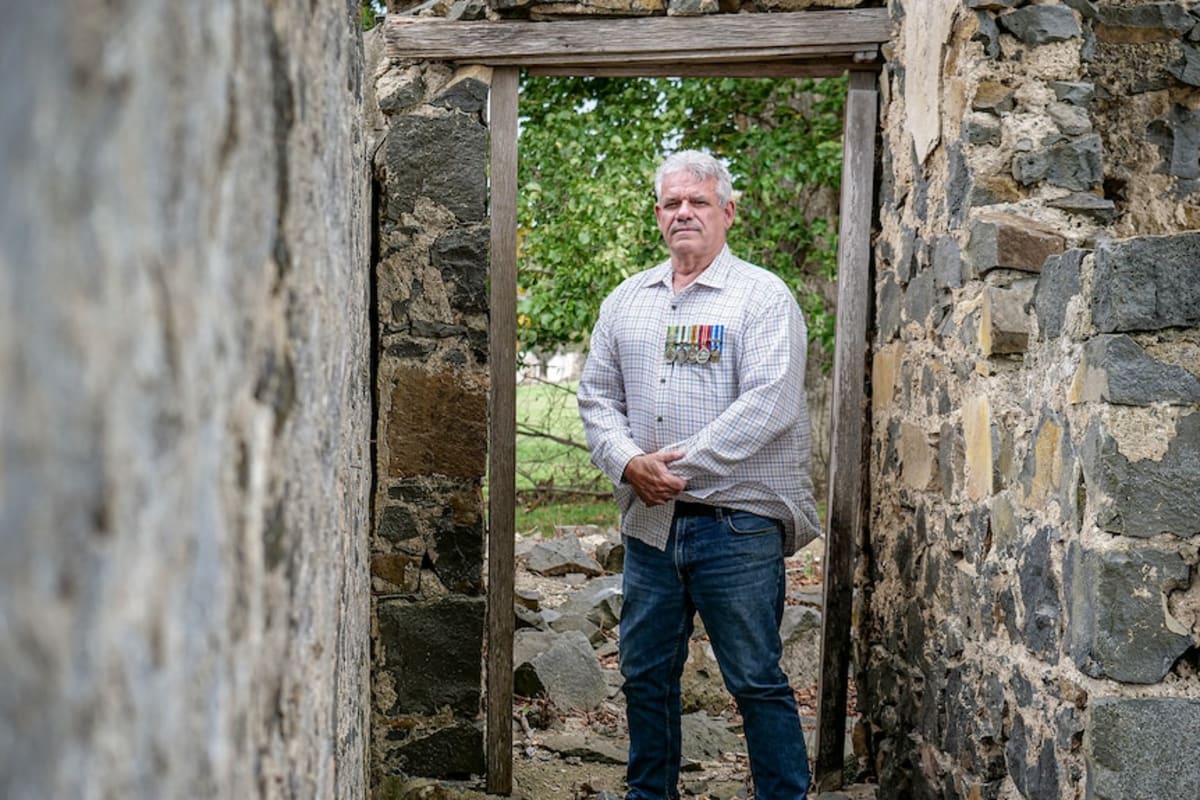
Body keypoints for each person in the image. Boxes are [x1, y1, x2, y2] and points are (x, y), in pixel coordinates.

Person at [578, 150, 822, 800]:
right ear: (657, 215)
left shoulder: (763, 298)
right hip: (650, 529)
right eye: (671, 203)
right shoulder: (626, 301)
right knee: (645, 675)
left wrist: (671, 470)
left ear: (728, 212)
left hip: (736, 529)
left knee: (755, 679)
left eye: (698, 202)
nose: (683, 212)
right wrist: (629, 463)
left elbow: (769, 401)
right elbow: (596, 397)